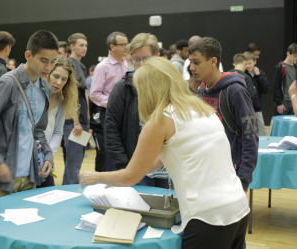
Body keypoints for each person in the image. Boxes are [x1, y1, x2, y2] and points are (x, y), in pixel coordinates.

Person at [80, 57, 250, 249]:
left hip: (208, 216)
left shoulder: (161, 119)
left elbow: (131, 176)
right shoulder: (201, 109)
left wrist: (96, 177)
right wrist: (116, 179)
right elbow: (155, 161)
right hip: (238, 207)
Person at [0, 30, 58, 198]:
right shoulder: (8, 83)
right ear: (28, 55)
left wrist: (48, 156)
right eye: (43, 60)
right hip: (2, 178)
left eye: (52, 62)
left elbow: (38, 130)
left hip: (30, 176)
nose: (48, 67)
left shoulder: (45, 88)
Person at [190, 37, 258, 193]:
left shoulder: (235, 91)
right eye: (191, 62)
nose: (192, 68)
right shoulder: (202, 90)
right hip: (205, 172)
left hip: (230, 176)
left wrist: (242, 180)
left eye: (197, 62)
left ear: (213, 61)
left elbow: (250, 136)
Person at [105, 33, 168, 187]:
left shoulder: (169, 85)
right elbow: (111, 130)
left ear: (158, 57)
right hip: (136, 168)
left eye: (146, 59)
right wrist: (125, 167)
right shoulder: (122, 88)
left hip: (167, 167)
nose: (141, 64)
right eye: (136, 59)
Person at [38, 57, 79, 187]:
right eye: (56, 76)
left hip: (45, 158)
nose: (59, 82)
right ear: (48, 74)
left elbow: (57, 131)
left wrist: (49, 155)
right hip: (27, 157)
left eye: (64, 79)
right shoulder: (35, 94)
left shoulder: (62, 99)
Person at [63, 33, 91, 185]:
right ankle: (70, 193)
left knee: (77, 161)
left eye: (86, 45)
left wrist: (87, 121)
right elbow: (69, 95)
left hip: (82, 121)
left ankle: (67, 190)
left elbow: (84, 95)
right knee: (73, 164)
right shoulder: (69, 64)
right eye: (81, 45)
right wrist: (76, 122)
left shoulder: (81, 66)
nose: (84, 48)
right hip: (73, 122)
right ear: (72, 46)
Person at [90, 31, 129, 127]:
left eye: (127, 44)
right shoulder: (102, 67)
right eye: (123, 45)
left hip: (126, 110)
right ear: (112, 47)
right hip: (110, 111)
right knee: (112, 141)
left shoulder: (125, 64)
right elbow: (94, 94)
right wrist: (113, 103)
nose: (126, 47)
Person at [244, 51, 269, 136]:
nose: (248, 66)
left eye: (250, 63)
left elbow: (265, 89)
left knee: (262, 131)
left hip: (257, 108)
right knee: (248, 131)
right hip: (246, 108)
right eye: (246, 63)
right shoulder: (243, 75)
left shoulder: (260, 74)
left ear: (255, 62)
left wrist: (258, 76)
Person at [273, 43, 297, 115]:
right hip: (284, 102)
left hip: (294, 100)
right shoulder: (280, 67)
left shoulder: (296, 67)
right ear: (288, 53)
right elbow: (276, 86)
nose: (296, 58)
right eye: (294, 56)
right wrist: (279, 103)